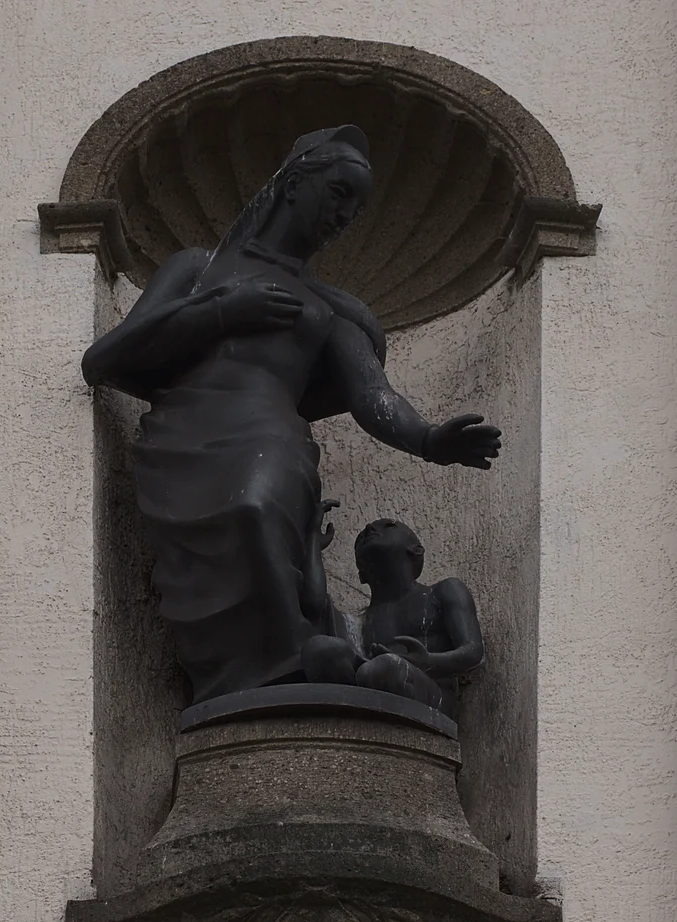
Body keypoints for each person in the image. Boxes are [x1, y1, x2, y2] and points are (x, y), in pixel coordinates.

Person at [80, 125, 501, 703]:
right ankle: (239, 680)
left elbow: (373, 396)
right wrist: (221, 312)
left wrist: (429, 439)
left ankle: (290, 667)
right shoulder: (198, 270)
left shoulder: (330, 307)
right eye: (338, 193)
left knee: (254, 510)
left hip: (272, 436)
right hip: (183, 437)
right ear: (293, 184)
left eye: (356, 208)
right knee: (235, 533)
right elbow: (105, 358)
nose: (345, 215)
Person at [303, 520, 485, 715]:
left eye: (388, 526)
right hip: (372, 683)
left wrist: (428, 661)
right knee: (320, 649)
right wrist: (314, 544)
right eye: (361, 537)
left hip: (431, 695)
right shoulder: (356, 623)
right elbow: (313, 602)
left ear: (416, 550)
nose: (369, 529)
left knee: (385, 668)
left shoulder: (442, 592)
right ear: (361, 574)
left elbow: (473, 651)